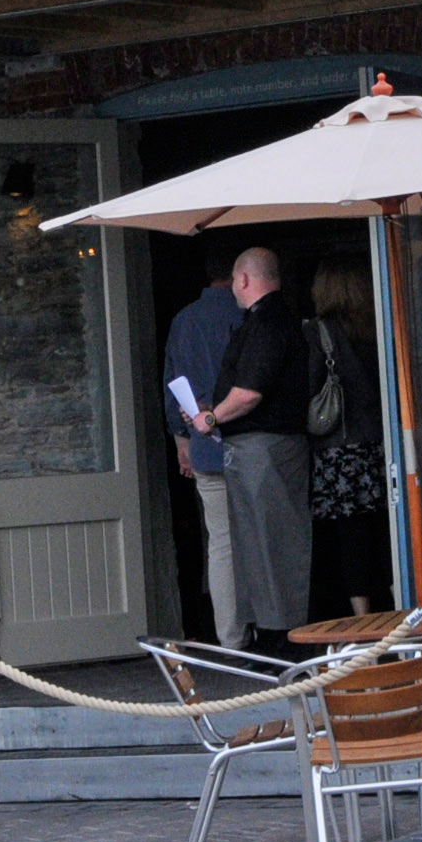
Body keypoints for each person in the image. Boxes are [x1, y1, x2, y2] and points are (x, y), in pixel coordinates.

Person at [189, 245, 310, 654]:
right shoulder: (270, 319)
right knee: (257, 545)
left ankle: (282, 641)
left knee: (270, 543)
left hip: (266, 449)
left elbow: (249, 393)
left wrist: (211, 417)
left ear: (242, 279)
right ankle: (272, 636)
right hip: (259, 449)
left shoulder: (268, 323)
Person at [162, 255, 246, 648]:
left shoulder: (184, 320)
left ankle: (230, 636)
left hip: (205, 448)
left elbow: (172, 387)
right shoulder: (246, 315)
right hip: (250, 442)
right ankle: (270, 626)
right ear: (238, 275)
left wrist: (182, 441)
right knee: (262, 542)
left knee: (221, 544)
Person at [304, 261, 391, 619]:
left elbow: (309, 385)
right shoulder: (378, 327)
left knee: (349, 534)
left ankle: (361, 614)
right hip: (378, 443)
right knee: (383, 528)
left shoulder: (317, 332)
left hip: (338, 449)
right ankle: (398, 599)